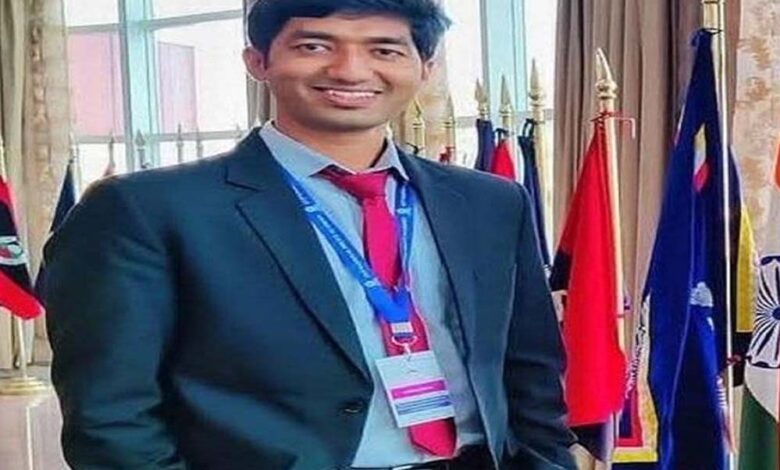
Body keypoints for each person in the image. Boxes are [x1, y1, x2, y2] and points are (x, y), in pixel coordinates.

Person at [44, 1, 575, 468]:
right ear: (258, 60)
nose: (350, 70)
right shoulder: (146, 210)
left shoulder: (490, 202)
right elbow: (109, 414)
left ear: (426, 67)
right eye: (315, 45)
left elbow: (530, 371)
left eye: (385, 50)